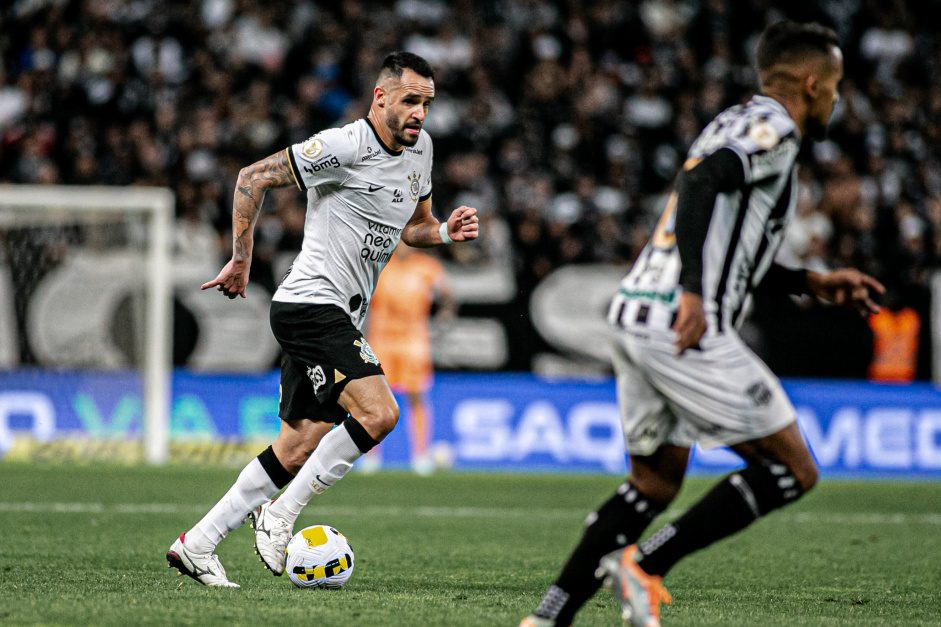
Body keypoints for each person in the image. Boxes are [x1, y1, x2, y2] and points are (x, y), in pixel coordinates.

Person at [521, 21, 883, 627]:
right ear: (813, 83)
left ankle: (548, 617)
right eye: (837, 86)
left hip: (636, 311)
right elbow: (701, 179)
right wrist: (693, 294)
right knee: (792, 469)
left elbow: (724, 237)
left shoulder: (733, 120)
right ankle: (646, 565)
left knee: (655, 484)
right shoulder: (775, 129)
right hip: (678, 321)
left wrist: (808, 281)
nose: (838, 99)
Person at [166, 51, 479, 587]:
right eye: (410, 100)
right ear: (380, 97)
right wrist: (241, 259)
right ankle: (281, 516)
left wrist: (446, 231)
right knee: (380, 414)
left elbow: (415, 227)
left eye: (427, 103)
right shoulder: (343, 145)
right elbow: (252, 176)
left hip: (341, 316)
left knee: (298, 445)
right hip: (311, 305)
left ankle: (198, 543)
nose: (420, 113)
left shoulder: (420, 150)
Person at [365, 244, 454, 474]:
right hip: (381, 339)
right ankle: (372, 455)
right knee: (376, 399)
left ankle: (420, 454)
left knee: (416, 397)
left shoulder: (426, 267)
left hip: (414, 342)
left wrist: (445, 315)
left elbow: (447, 291)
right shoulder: (379, 266)